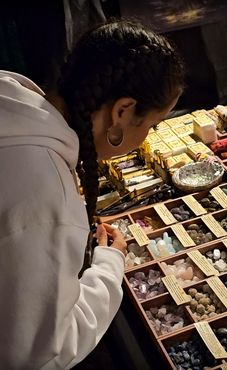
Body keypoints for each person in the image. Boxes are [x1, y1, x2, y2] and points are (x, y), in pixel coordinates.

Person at [0, 19, 185, 369]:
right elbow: (39, 353)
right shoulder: (45, 197)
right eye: (151, 125)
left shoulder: (11, 97)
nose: (148, 135)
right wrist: (109, 265)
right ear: (122, 111)